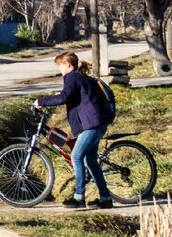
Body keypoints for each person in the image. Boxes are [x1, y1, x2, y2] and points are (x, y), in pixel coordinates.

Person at [34, 52, 113, 209]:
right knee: (90, 161)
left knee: (76, 157)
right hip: (97, 123)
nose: (60, 69)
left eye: (61, 65)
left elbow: (64, 97)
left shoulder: (72, 77)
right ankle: (106, 198)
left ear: (68, 64)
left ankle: (79, 198)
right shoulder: (80, 76)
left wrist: (41, 101)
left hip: (92, 125)